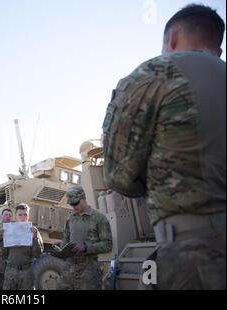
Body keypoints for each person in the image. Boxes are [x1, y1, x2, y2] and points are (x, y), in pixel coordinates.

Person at [102, 4, 225, 289]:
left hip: (189, 255)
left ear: (171, 39)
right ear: (218, 47)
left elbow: (117, 174)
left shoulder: (155, 73)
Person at [56, 187, 112, 290]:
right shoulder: (70, 219)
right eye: (71, 204)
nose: (73, 206)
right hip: (69, 268)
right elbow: (66, 239)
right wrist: (61, 249)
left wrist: (86, 247)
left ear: (83, 198)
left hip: (89, 270)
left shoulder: (99, 218)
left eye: (76, 203)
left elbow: (107, 244)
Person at [0, 203, 43, 290]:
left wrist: (35, 238)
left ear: (28, 216)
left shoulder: (33, 230)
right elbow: (3, 254)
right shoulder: (9, 230)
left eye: (25, 214)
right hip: (11, 271)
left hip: (27, 272)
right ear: (15, 216)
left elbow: (37, 254)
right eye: (20, 215)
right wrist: (0, 240)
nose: (23, 217)